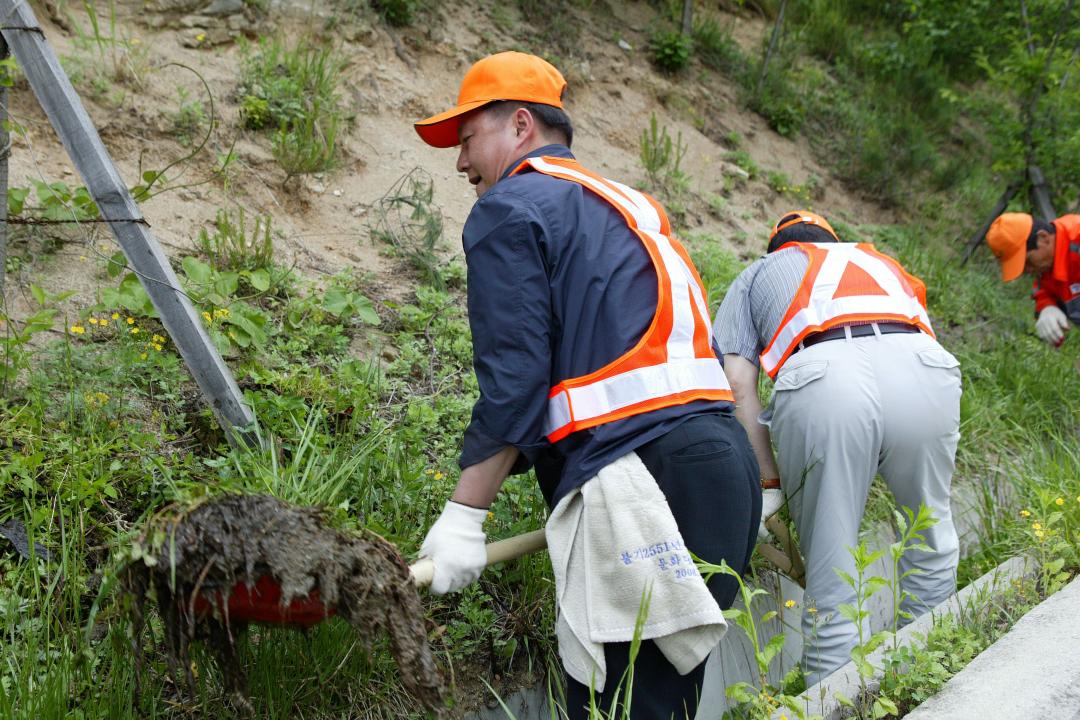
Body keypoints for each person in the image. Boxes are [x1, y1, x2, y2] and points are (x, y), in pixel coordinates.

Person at [412, 51, 761, 718]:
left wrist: (464, 515)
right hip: (721, 474)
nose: (460, 163)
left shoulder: (511, 207)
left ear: (519, 125)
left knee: (610, 705)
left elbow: (515, 378)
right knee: (659, 701)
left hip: (648, 485)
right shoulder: (627, 205)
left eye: (466, 139)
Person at [713, 211, 962, 686]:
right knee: (930, 536)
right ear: (834, 240)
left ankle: (839, 703)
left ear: (778, 248)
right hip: (923, 368)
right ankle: (935, 679)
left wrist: (766, 479)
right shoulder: (882, 261)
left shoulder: (757, 273)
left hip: (825, 375)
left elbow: (737, 380)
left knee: (832, 564)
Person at [985, 212, 1080, 346]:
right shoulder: (1047, 267)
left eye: (1027, 262)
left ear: (1043, 238)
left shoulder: (1076, 238)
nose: (1028, 271)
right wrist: (1048, 308)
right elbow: (1043, 292)